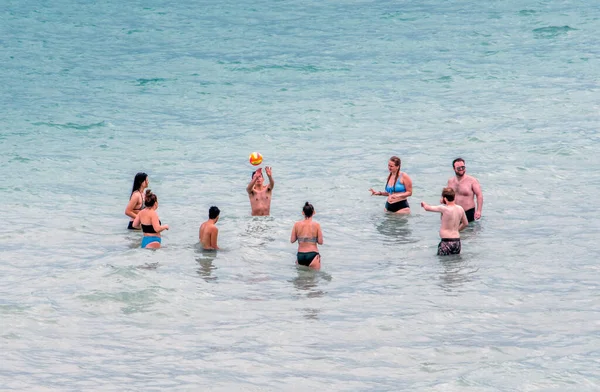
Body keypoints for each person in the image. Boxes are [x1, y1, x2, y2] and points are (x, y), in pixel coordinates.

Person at [421, 187, 468, 256]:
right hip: (457, 241)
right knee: (454, 263)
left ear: (445, 198)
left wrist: (423, 203)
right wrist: (456, 230)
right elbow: (465, 223)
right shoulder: (460, 208)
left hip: (446, 242)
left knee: (444, 264)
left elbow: (427, 208)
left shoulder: (444, 208)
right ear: (454, 197)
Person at [447, 158, 483, 222]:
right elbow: (447, 195)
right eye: (458, 168)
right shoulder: (450, 181)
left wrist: (479, 211)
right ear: (454, 168)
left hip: (468, 212)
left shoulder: (472, 181)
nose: (461, 169)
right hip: (454, 212)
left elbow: (479, 195)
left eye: (463, 167)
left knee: (468, 231)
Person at [290, 202, 323, 269]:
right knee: (313, 278)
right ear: (314, 212)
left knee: (301, 278)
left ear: (303, 213)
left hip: (300, 255)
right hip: (312, 254)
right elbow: (320, 242)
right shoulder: (316, 225)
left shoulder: (296, 224)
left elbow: (292, 240)